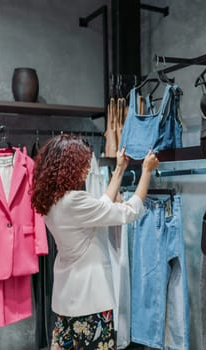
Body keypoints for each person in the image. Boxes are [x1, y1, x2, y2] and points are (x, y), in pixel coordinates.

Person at [31, 134, 159, 350]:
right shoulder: (74, 201)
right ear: (70, 165)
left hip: (67, 301)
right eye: (84, 163)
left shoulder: (52, 200)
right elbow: (128, 212)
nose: (87, 169)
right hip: (91, 302)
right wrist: (146, 171)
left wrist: (119, 170)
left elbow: (101, 206)